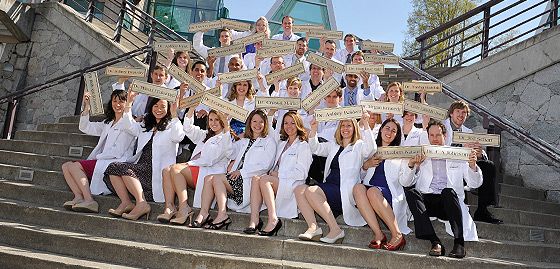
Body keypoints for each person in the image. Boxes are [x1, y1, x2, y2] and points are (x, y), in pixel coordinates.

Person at [400, 120, 482, 258]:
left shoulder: (457, 155)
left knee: (448, 191)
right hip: (428, 201)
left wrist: (472, 165)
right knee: (412, 192)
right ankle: (435, 241)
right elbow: (406, 182)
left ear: (445, 135)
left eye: (438, 135)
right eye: (431, 135)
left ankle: (459, 244)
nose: (435, 139)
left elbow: (475, 184)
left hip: (448, 203)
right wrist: (412, 165)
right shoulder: (421, 154)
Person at [104, 90, 185, 221]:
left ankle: (141, 203)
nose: (159, 109)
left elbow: (178, 137)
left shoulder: (172, 124)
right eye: (156, 106)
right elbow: (128, 126)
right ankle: (126, 203)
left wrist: (175, 115)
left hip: (155, 170)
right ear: (151, 107)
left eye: (163, 106)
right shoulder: (145, 124)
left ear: (169, 108)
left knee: (123, 169)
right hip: (141, 166)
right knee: (113, 168)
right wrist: (129, 103)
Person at [295, 113, 375, 244]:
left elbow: (371, 149)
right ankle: (313, 227)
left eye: (349, 125)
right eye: (343, 125)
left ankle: (335, 230)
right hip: (330, 185)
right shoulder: (334, 145)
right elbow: (315, 148)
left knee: (311, 191)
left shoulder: (359, 145)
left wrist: (366, 124)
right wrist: (314, 129)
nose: (345, 128)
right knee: (299, 190)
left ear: (354, 128)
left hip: (344, 190)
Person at [62, 87, 135, 213]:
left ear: (126, 103)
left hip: (113, 161)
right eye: (114, 101)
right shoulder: (108, 123)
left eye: (121, 102)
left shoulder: (129, 124)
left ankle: (89, 200)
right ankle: (79, 197)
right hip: (102, 160)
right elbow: (86, 127)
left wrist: (99, 157)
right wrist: (87, 107)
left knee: (74, 166)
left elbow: (119, 151)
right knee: (66, 166)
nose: (117, 104)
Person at [157, 107, 233, 225]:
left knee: (175, 169)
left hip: (209, 172)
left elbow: (210, 160)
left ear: (223, 121)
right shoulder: (205, 135)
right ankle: (169, 207)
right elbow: (188, 129)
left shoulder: (226, 138)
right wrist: (192, 108)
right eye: (211, 120)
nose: (213, 123)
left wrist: (189, 163)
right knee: (166, 170)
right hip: (198, 169)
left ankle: (184, 207)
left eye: (217, 120)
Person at [210, 110, 277, 233]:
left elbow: (265, 165)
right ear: (249, 123)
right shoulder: (244, 141)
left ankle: (222, 215)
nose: (257, 124)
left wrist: (242, 172)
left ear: (265, 124)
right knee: (213, 178)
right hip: (237, 180)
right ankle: (220, 213)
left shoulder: (269, 141)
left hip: (250, 181)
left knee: (217, 178)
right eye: (254, 121)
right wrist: (226, 129)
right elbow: (229, 152)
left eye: (261, 122)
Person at [248, 111, 312, 236]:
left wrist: (279, 174)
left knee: (264, 180)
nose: (289, 126)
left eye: (293, 123)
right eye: (286, 123)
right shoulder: (282, 143)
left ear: (299, 125)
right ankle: (254, 219)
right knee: (256, 179)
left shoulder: (303, 146)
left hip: (292, 184)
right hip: (280, 181)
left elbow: (302, 174)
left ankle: (273, 219)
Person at [354, 119, 410, 251]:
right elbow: (357, 175)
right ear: (381, 129)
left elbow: (405, 181)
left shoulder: (400, 153)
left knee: (372, 192)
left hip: (388, 192)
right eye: (387, 128)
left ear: (397, 135)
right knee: (357, 188)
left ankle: (397, 234)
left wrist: (412, 165)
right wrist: (366, 165)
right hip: (370, 189)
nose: (389, 132)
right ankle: (378, 234)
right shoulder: (370, 149)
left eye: (394, 131)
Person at [444, 100, 503, 224]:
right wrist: (460, 147)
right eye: (458, 112)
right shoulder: (442, 127)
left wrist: (480, 153)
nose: (461, 115)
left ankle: (482, 210)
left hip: (465, 167)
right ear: (451, 114)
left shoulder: (468, 132)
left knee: (488, 166)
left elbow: (479, 154)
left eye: (464, 113)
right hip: (446, 167)